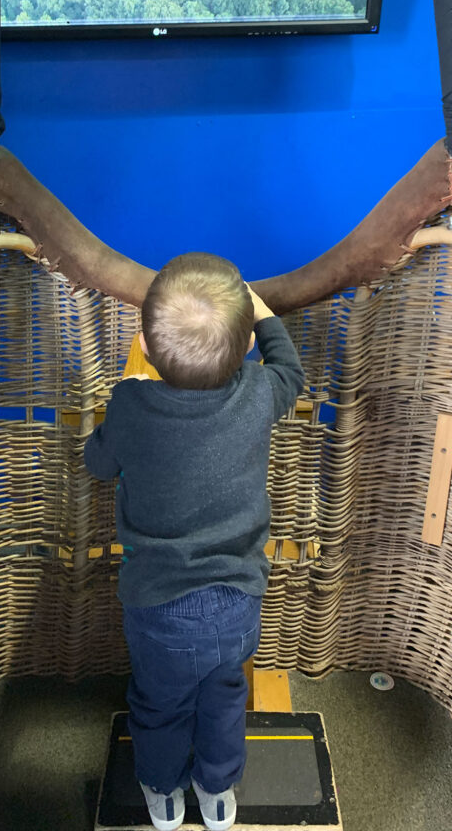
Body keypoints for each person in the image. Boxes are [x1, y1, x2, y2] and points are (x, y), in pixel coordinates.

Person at [84, 252, 304, 831]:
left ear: (149, 350)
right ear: (244, 351)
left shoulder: (131, 404)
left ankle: (162, 792)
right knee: (225, 696)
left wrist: (126, 395)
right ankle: (216, 792)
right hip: (238, 603)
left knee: (160, 705)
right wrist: (263, 316)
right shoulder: (258, 391)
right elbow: (291, 368)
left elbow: (99, 462)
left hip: (157, 608)